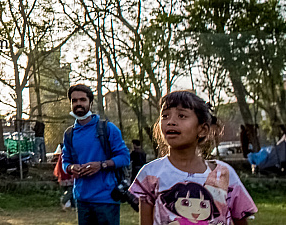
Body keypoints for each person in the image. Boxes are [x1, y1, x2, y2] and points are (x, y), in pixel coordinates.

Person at [129, 91, 257, 225]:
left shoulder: (224, 174)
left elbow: (240, 220)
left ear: (202, 130)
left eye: (182, 116)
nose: (171, 122)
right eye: (165, 116)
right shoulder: (150, 174)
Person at [61, 84, 130, 225]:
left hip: (107, 199)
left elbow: (124, 157)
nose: (78, 104)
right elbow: (65, 161)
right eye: (74, 101)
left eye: (82, 100)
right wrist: (71, 168)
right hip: (82, 200)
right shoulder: (69, 134)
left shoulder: (108, 129)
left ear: (90, 103)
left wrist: (101, 165)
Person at [53, 144, 75, 211]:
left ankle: (73, 206)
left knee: (70, 191)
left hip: (63, 177)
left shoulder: (62, 156)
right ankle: (64, 202)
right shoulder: (66, 155)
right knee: (70, 191)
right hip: (68, 176)